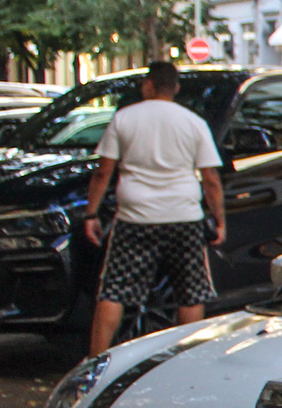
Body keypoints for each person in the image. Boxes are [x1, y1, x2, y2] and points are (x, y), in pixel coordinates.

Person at [83, 60, 226, 355]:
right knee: (190, 293)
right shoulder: (193, 123)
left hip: (135, 217)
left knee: (113, 290)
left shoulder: (124, 118)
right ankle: (187, 358)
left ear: (148, 85)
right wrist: (218, 220)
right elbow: (211, 178)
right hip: (184, 216)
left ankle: (95, 361)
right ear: (175, 88)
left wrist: (91, 213)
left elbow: (103, 172)